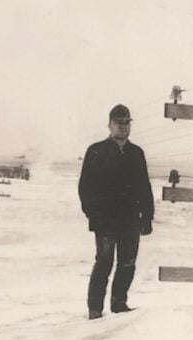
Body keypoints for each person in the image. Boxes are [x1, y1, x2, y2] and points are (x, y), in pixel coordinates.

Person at [78, 104, 154, 320]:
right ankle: (95, 310)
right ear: (109, 125)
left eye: (126, 123)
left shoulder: (136, 154)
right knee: (104, 263)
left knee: (127, 263)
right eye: (118, 123)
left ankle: (119, 304)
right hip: (106, 221)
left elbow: (144, 187)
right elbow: (85, 188)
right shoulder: (96, 151)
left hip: (130, 220)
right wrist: (94, 215)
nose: (122, 127)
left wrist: (147, 217)